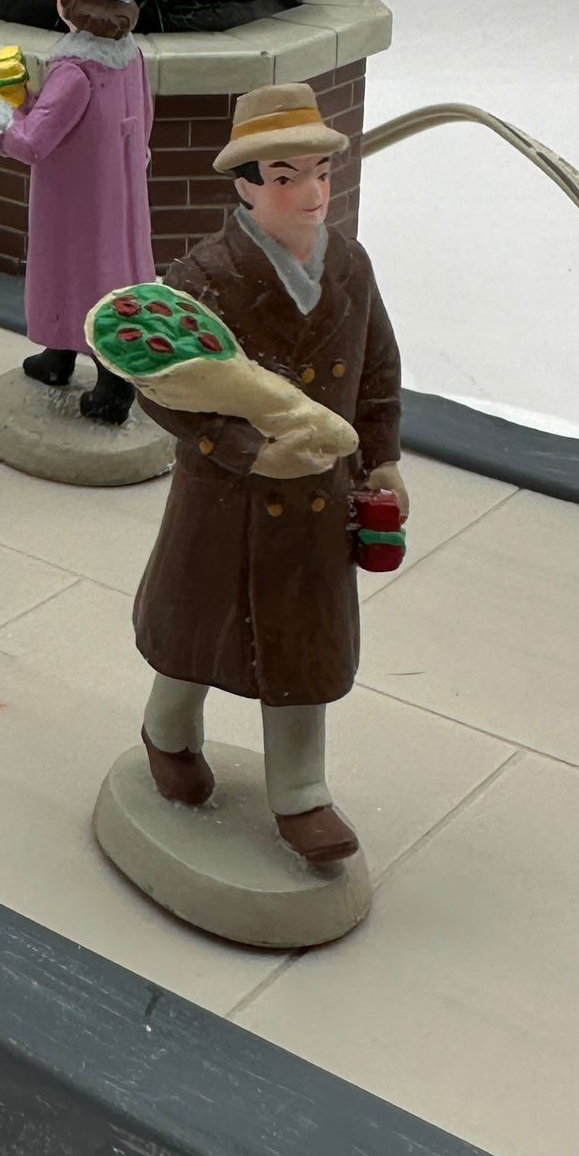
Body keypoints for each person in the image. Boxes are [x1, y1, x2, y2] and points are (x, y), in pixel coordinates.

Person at [127, 84, 409, 865]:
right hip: (225, 502)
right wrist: (250, 450)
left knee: (303, 648)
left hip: (318, 503)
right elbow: (163, 388)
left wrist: (381, 455)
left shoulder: (350, 266)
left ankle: (300, 789)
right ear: (246, 185)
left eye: (322, 171)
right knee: (195, 634)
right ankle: (167, 730)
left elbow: (378, 369)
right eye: (287, 176)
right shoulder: (204, 277)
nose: (313, 193)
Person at [0, 0, 154, 424]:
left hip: (73, 200)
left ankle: (113, 381)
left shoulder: (75, 72)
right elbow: (144, 115)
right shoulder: (131, 57)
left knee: (83, 271)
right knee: (101, 269)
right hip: (116, 193)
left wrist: (1, 113)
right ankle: (59, 350)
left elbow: (33, 142)